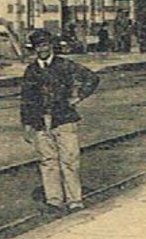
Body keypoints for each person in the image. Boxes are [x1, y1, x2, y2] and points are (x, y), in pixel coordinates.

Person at [20, 28, 101, 213]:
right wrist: (27, 125)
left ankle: (75, 200)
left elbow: (91, 78)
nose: (42, 49)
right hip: (41, 122)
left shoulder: (65, 65)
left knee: (70, 160)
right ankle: (54, 200)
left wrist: (78, 97)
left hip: (64, 120)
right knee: (48, 161)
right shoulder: (31, 70)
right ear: (34, 49)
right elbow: (26, 99)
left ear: (51, 46)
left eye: (45, 45)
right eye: (38, 46)